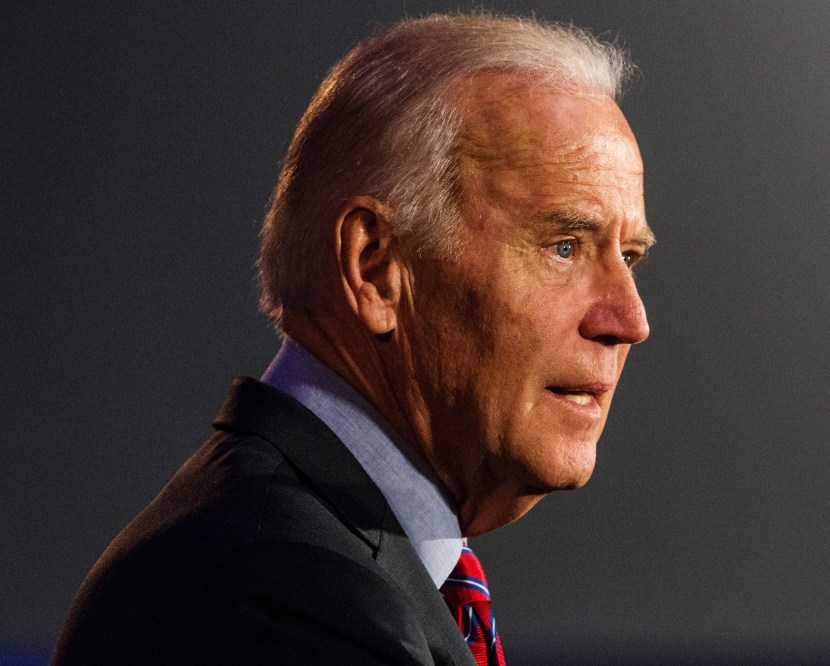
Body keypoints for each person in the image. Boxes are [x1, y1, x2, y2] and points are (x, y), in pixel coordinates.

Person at [52, 12, 652, 666]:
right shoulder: (280, 599)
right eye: (564, 247)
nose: (629, 319)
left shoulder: (322, 556)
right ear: (376, 268)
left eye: (631, 256)